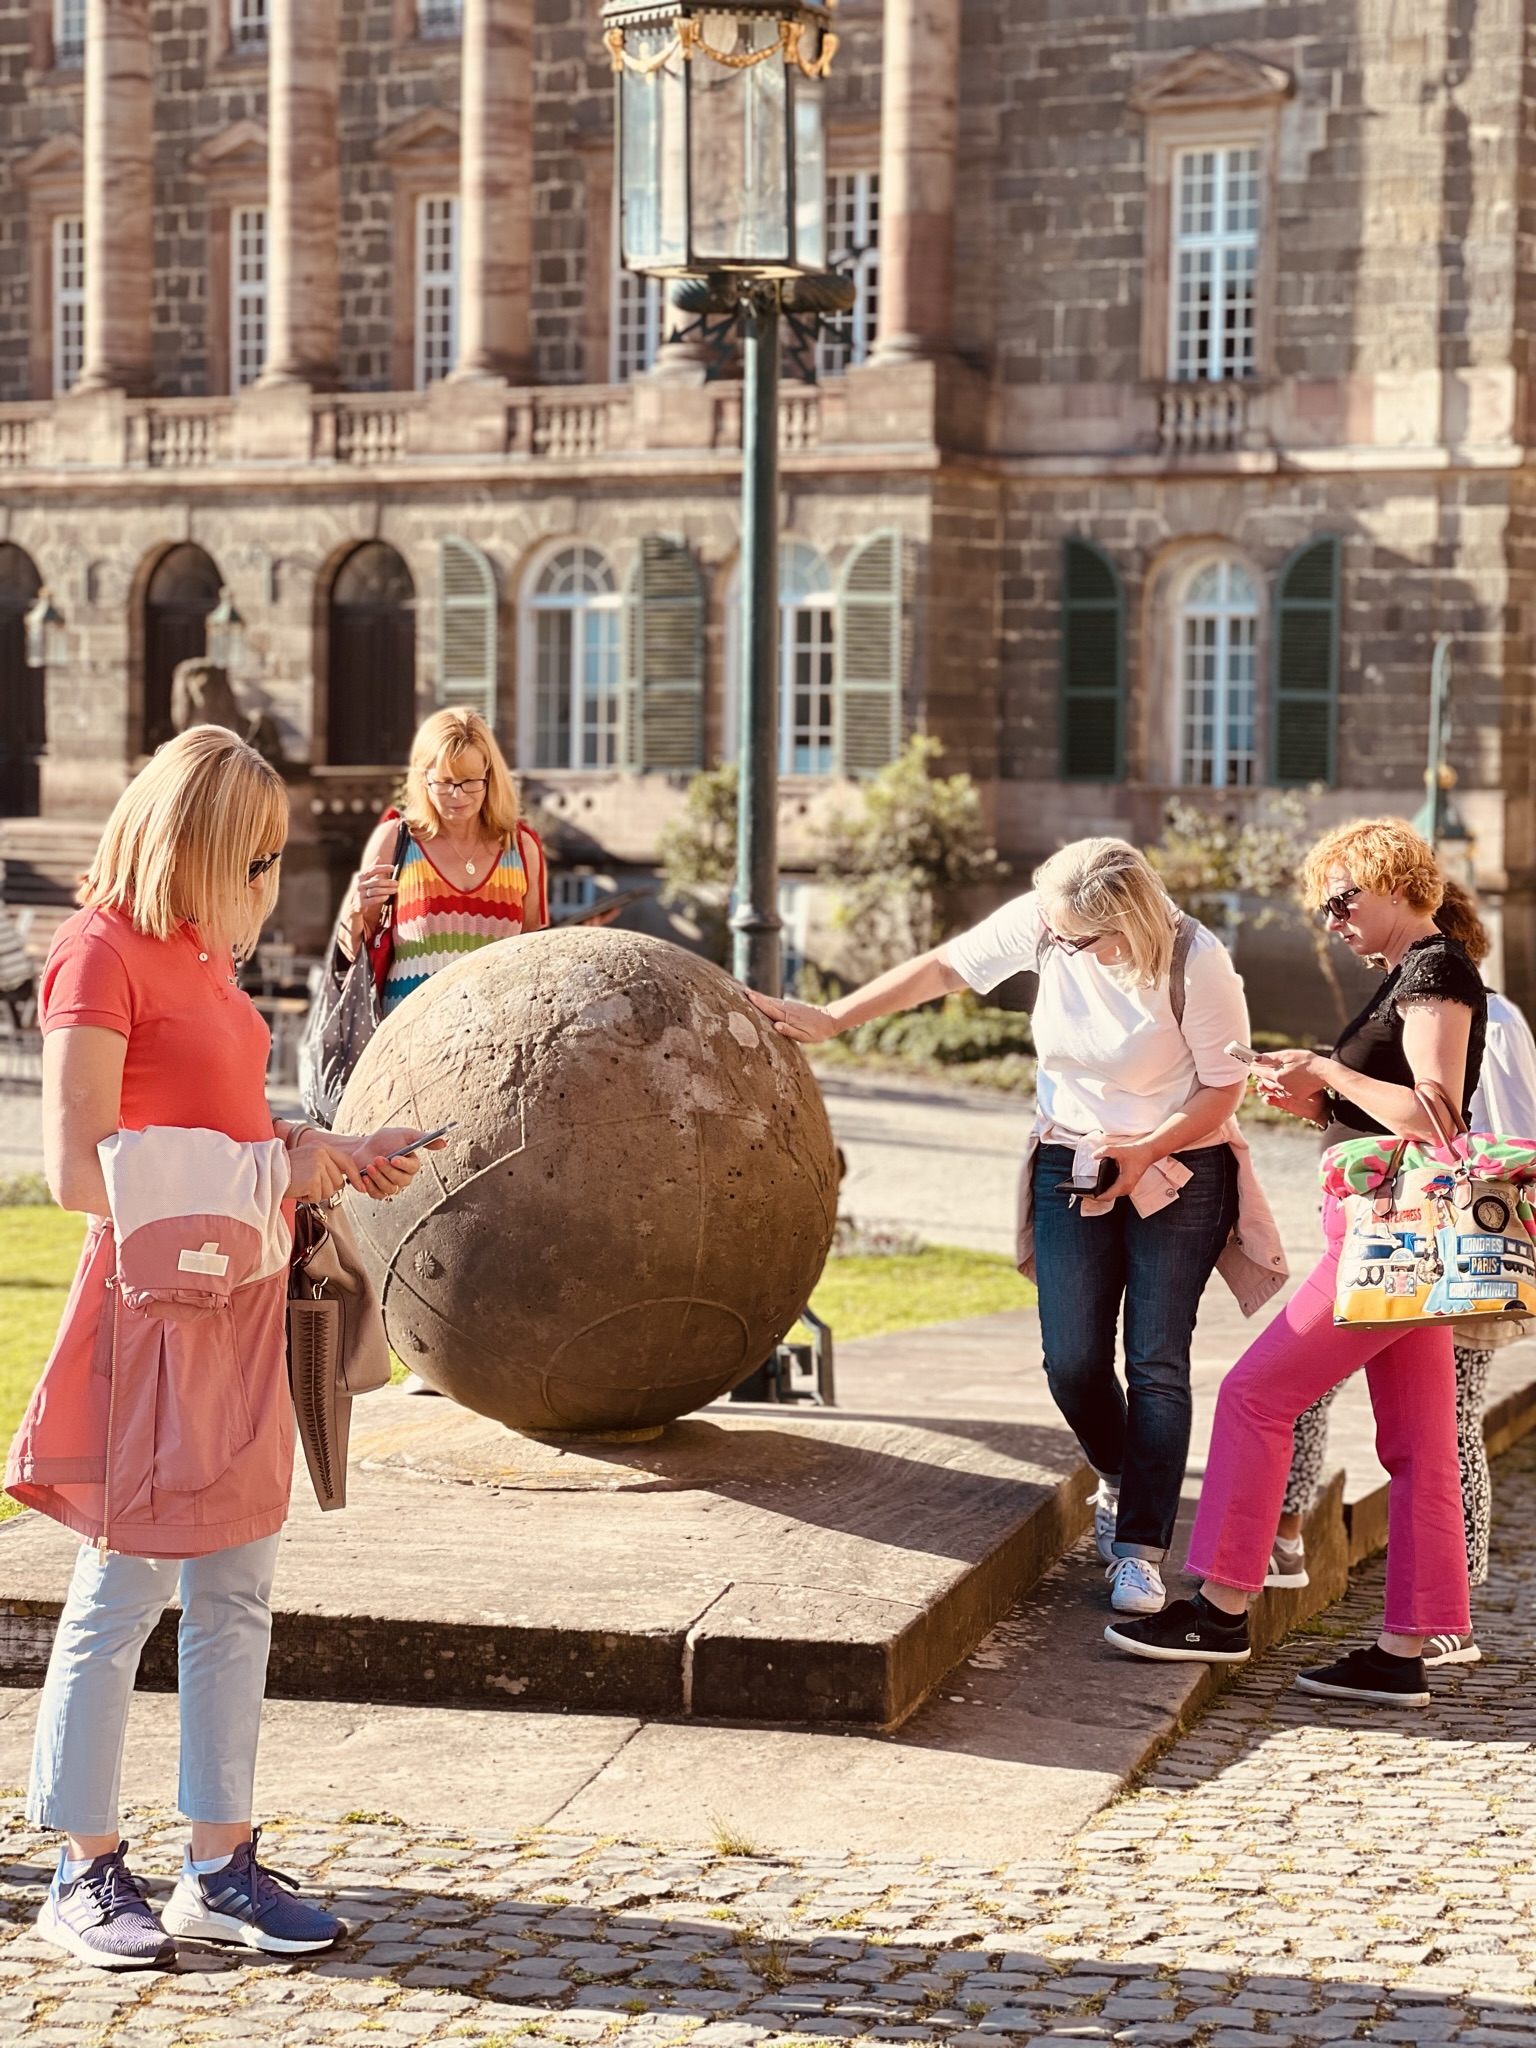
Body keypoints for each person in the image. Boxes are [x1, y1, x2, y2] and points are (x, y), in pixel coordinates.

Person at [5, 727, 441, 1969]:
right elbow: (74, 1171)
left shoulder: (200, 955)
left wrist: (327, 1147)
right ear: (193, 840)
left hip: (242, 1303)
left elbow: (223, 1122)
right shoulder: (96, 950)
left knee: (238, 1590)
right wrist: (276, 1164)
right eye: (250, 854)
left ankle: (219, 1866)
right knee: (124, 1590)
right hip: (150, 1316)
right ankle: (81, 1870)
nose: (263, 879)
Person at [751, 837, 1285, 1617]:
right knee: (1069, 1359)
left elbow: (1222, 1091)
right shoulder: (1046, 922)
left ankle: (1140, 1549)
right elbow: (944, 968)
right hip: (1071, 1159)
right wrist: (836, 1017)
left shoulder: (1196, 962)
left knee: (1158, 1360)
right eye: (1057, 932)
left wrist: (1145, 1148)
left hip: (1179, 1168)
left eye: (1080, 937)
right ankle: (1119, 1472)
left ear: (1127, 922)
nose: (1060, 946)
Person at [1106, 818, 1486, 1706]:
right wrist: (1314, 1097)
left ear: (1394, 882)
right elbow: (1387, 1111)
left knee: (1256, 1394)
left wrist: (1329, 1069)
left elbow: (1435, 1119)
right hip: (1399, 1237)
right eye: (1323, 907)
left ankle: (1225, 1604)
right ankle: (1408, 1647)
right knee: (1421, 1444)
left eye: (1343, 900)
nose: (1332, 919)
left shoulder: (1434, 971)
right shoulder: (1409, 976)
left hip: (1391, 1241)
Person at [1270, 878, 1536, 1666]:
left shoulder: (1459, 1005)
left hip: (1446, 1232)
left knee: (1404, 1412)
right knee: (1448, 1422)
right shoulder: (1496, 1011)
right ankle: (1450, 1609)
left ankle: (1425, 1602)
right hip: (1469, 1230)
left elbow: (1472, 1122)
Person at [338, 707, 548, 1016]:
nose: (457, 795)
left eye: (469, 781)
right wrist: (356, 910)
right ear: (423, 779)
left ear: (490, 778)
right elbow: (350, 953)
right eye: (445, 781)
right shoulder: (395, 840)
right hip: (410, 1040)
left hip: (497, 1038)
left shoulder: (521, 848)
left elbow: (534, 955)